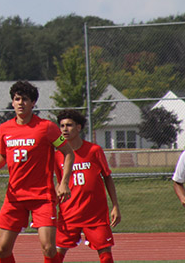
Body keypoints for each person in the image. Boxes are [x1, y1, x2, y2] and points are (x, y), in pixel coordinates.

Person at [0, 80, 75, 263]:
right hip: (14, 197)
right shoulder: (5, 128)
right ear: (12, 102)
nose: (20, 103)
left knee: (49, 248)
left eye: (25, 99)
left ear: (33, 103)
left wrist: (63, 182)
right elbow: (3, 155)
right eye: (17, 99)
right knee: (2, 250)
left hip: (42, 197)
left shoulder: (46, 128)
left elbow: (68, 153)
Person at [53, 109, 120, 263]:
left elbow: (107, 177)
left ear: (79, 127)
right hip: (68, 213)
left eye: (69, 125)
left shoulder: (94, 151)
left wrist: (115, 205)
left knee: (105, 255)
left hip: (94, 214)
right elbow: (59, 183)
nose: (64, 129)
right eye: (62, 125)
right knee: (56, 255)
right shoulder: (57, 155)